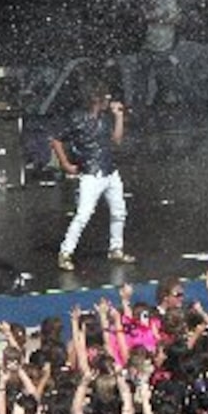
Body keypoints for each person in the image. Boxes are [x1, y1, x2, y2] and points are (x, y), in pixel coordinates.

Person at [51, 74, 136, 271]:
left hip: (110, 171)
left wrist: (119, 117)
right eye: (106, 97)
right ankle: (65, 253)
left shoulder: (106, 118)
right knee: (83, 215)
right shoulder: (77, 118)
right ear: (96, 99)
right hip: (91, 173)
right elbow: (56, 139)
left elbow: (116, 140)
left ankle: (116, 248)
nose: (109, 100)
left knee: (119, 212)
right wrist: (65, 164)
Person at [135, 0, 181, 119]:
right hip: (145, 43)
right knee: (142, 80)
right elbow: (139, 14)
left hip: (164, 43)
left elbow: (176, 18)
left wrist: (157, 19)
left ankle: (158, 109)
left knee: (164, 80)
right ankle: (141, 112)